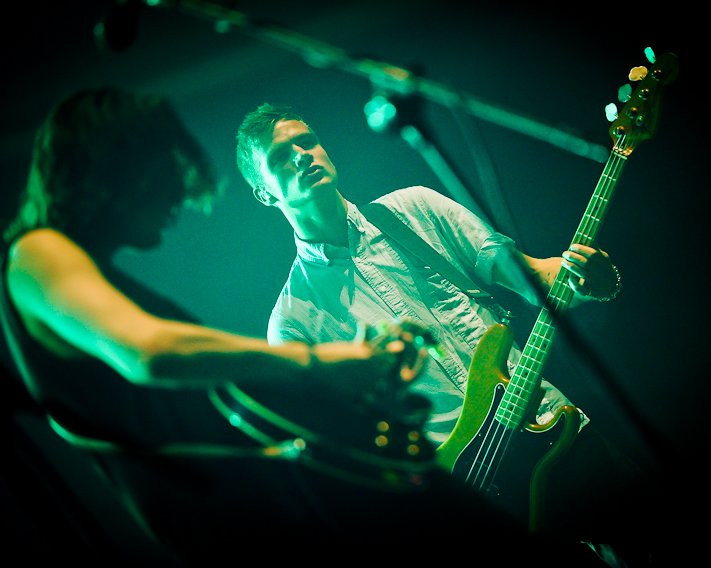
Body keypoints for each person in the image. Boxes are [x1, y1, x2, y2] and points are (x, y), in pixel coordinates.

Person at [0, 87, 524, 563]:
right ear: (118, 170)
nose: (176, 201)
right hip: (233, 523)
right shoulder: (36, 253)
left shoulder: (84, 270)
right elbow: (150, 350)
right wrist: (323, 361)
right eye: (165, 176)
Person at [234, 104, 654, 565]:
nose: (302, 156)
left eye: (307, 141)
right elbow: (348, 450)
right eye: (280, 157)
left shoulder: (416, 208)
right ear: (263, 194)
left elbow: (533, 278)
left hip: (556, 433)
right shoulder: (292, 322)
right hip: (476, 502)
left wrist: (591, 279)